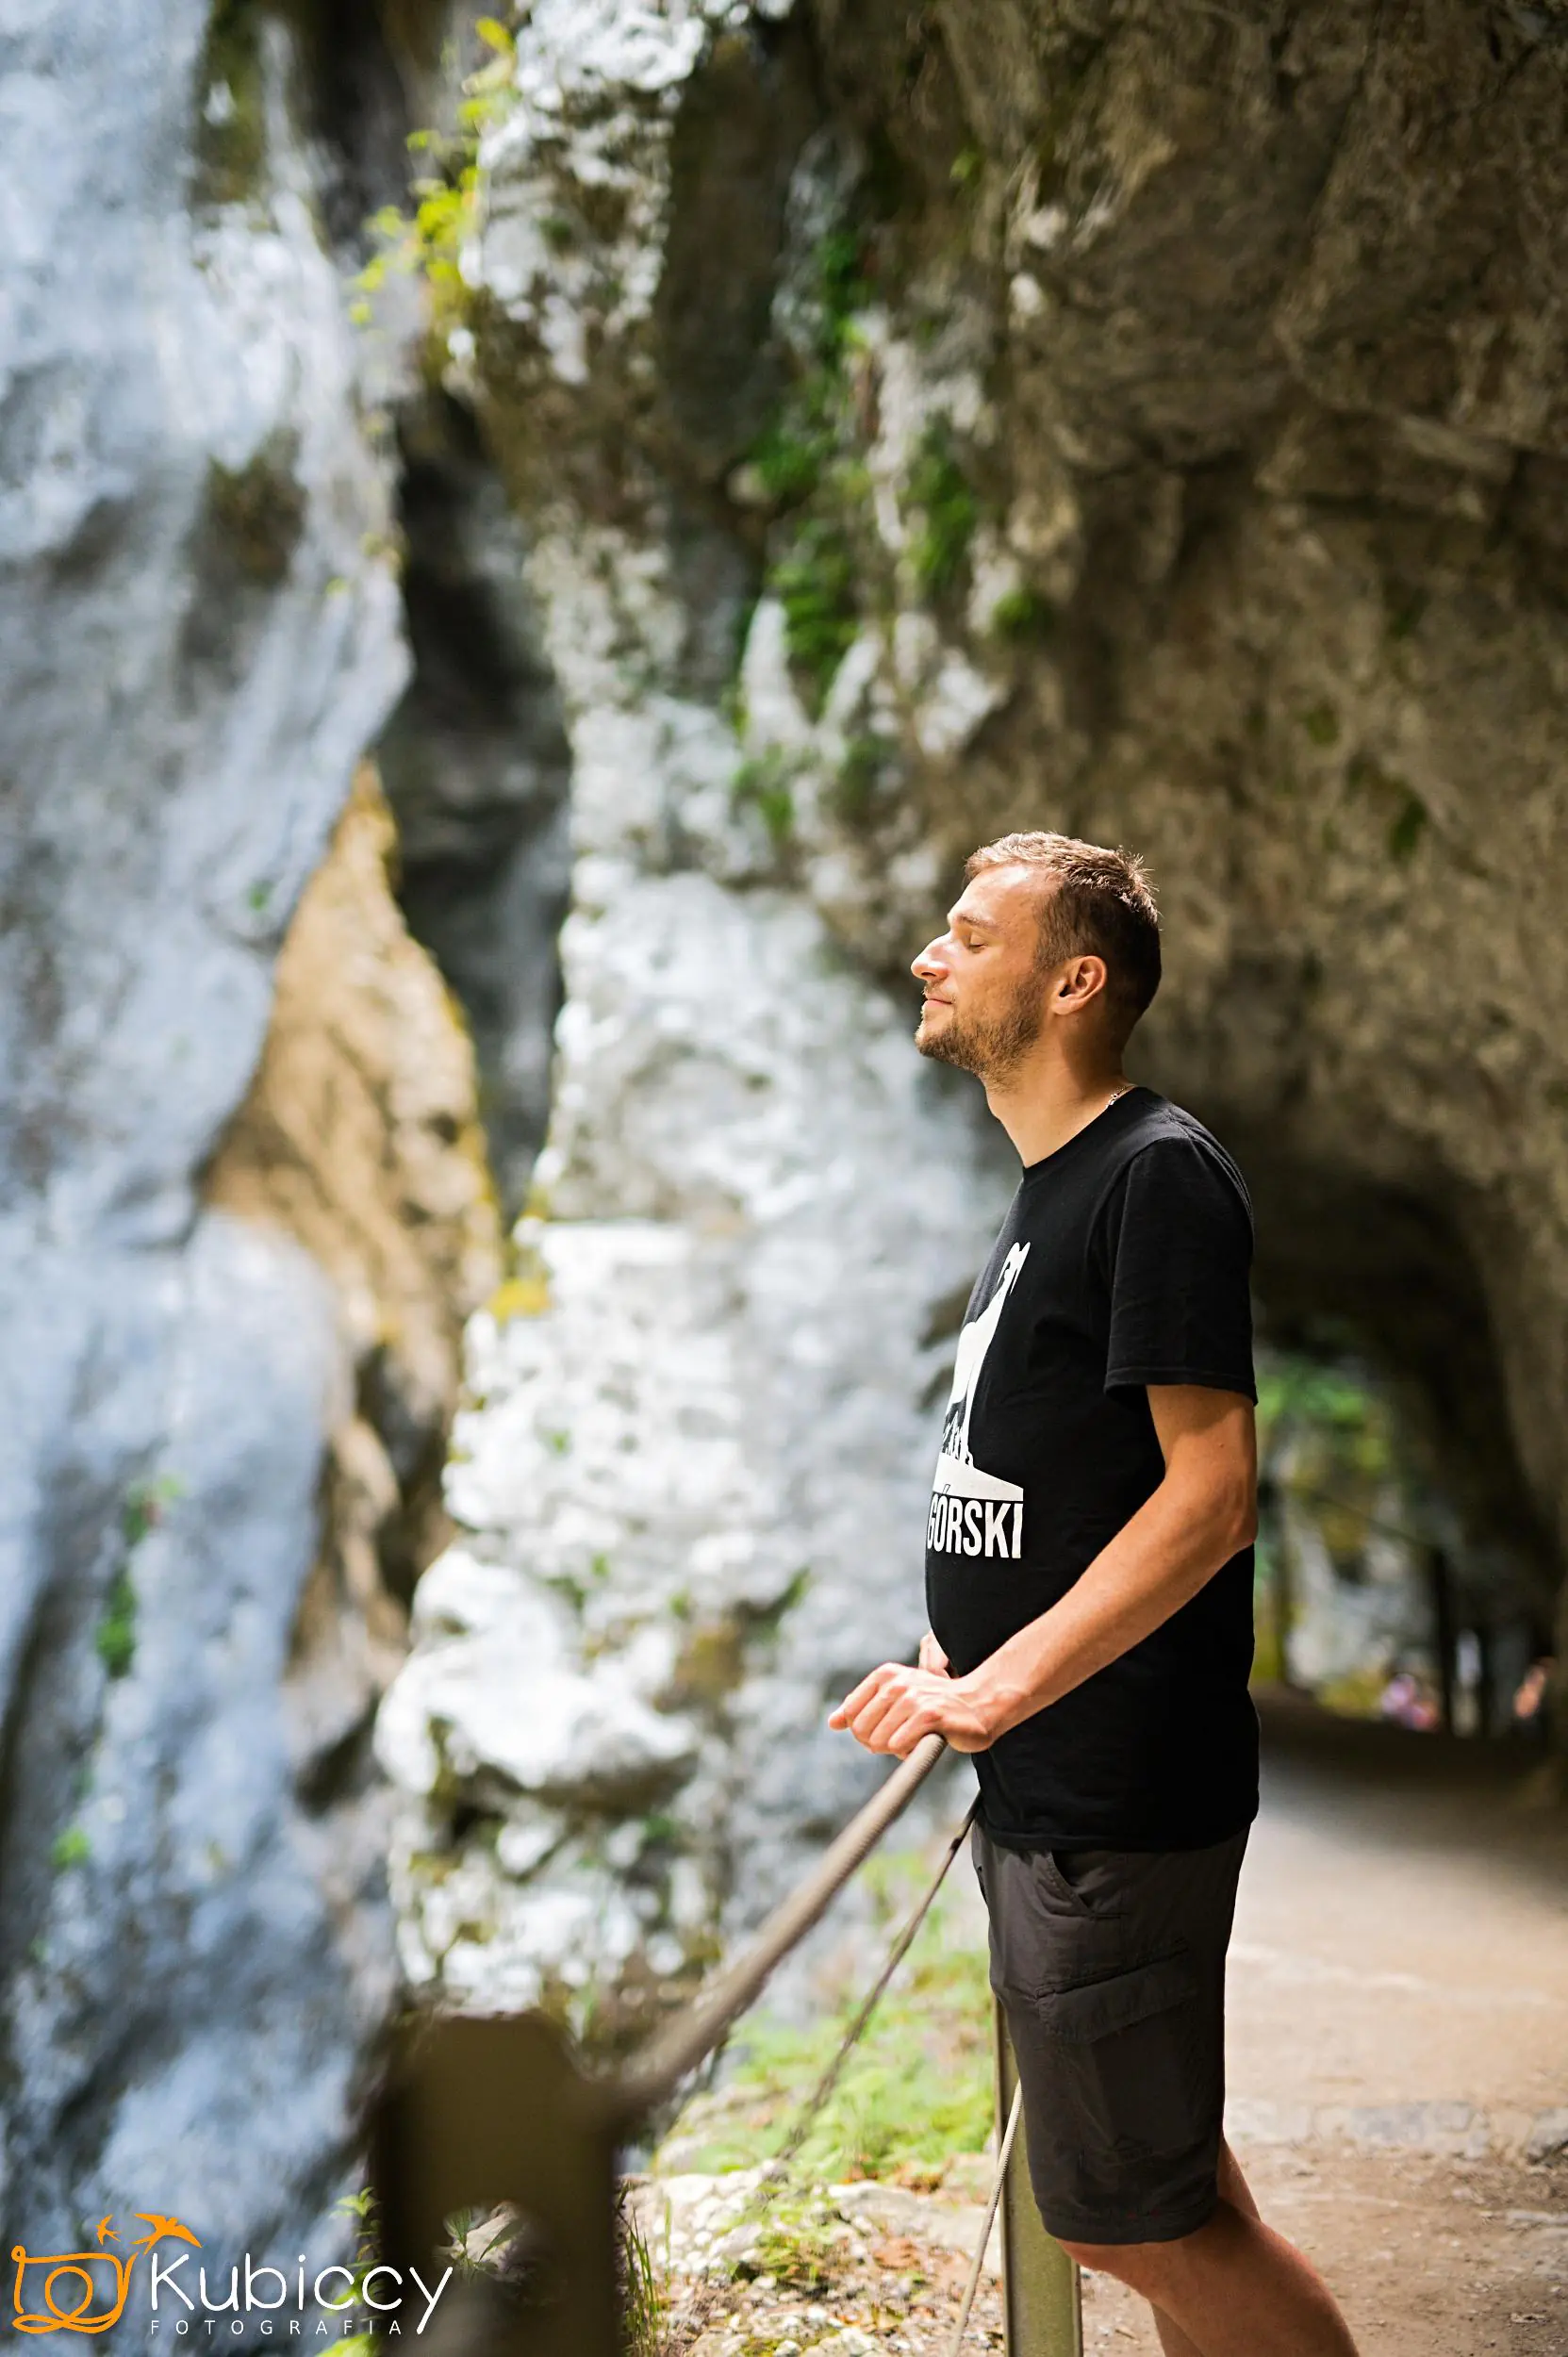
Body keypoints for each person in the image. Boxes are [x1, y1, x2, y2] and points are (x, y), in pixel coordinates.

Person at [829, 832, 1361, 2357]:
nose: (928, 956)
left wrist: (995, 1688)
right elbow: (1052, 1473)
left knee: (1127, 2223)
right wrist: (961, 1650)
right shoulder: (1054, 1189)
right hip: (1051, 1783)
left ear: (1071, 983)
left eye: (968, 934)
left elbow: (1208, 1493)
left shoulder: (1153, 1176)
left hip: (1111, 1796)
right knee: (1166, 2196)